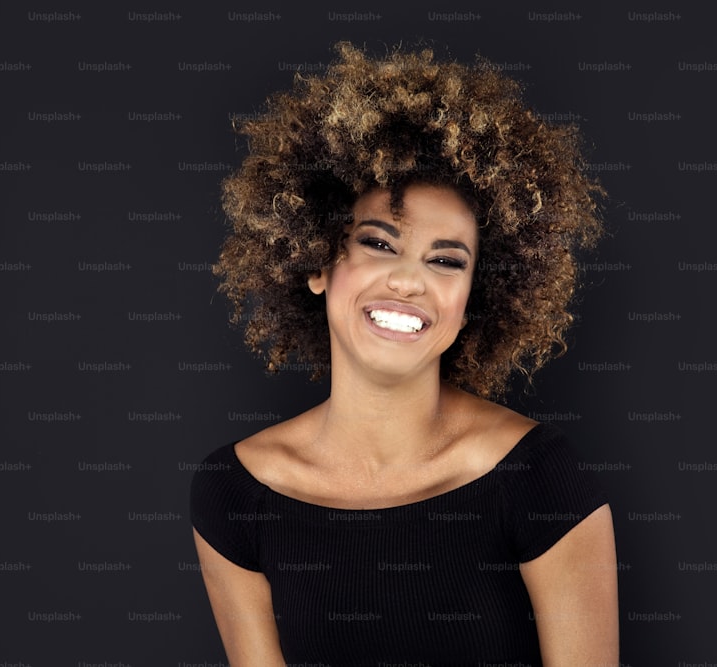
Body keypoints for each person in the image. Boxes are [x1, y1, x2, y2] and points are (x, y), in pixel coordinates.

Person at [190, 41, 618, 666]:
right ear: (317, 261)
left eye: (446, 260)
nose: (410, 281)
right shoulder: (236, 492)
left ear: (476, 295)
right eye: (379, 244)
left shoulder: (537, 478)